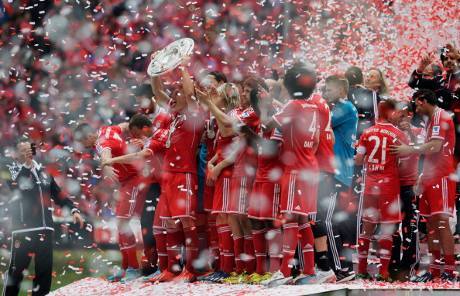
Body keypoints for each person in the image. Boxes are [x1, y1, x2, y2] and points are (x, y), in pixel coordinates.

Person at [148, 63, 206, 283]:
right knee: (171, 223)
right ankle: (173, 269)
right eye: (172, 94)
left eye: (176, 93)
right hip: (169, 176)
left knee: (186, 221)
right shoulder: (174, 116)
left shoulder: (194, 115)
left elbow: (190, 92)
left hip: (185, 173)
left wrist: (182, 66)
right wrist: (155, 69)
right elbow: (157, 91)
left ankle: (191, 269)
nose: (171, 97)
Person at [263, 62, 320, 286]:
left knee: (289, 217)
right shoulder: (312, 106)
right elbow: (315, 140)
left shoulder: (293, 105)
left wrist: (264, 106)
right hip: (309, 167)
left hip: (295, 169)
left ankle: (284, 272)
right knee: (303, 219)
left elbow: (269, 125)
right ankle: (309, 270)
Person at [3, 140, 84, 296]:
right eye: (22, 149)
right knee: (16, 272)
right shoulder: (12, 171)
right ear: (17, 154)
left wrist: (73, 210)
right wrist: (26, 166)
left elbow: (58, 195)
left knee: (44, 273)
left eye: (29, 149)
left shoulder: (45, 173)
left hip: (45, 230)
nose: (26, 152)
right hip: (23, 230)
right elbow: (18, 187)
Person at [391, 89, 456, 282]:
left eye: (416, 104)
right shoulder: (432, 120)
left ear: (423, 100)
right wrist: (422, 174)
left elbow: (435, 147)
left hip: (442, 177)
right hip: (430, 176)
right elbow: (430, 148)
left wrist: (409, 149)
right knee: (431, 226)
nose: (415, 108)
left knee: (442, 223)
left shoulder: (440, 116)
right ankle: (435, 271)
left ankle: (449, 271)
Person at [74, 119, 148, 282]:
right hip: (126, 182)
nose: (82, 145)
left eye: (82, 141)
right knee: (119, 224)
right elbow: (124, 126)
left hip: (135, 179)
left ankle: (134, 268)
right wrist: (139, 138)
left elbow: (105, 153)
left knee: (122, 223)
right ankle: (126, 267)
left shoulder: (102, 142)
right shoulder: (107, 129)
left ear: (88, 136)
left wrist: (106, 165)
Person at [355, 99, 408, 281]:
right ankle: (383, 272)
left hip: (370, 187)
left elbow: (358, 160)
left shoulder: (367, 133)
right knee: (387, 231)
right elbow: (405, 163)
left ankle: (361, 270)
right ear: (392, 113)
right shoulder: (399, 134)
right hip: (389, 187)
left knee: (367, 229)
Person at [322, 75, 358, 282]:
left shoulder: (344, 107)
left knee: (328, 220)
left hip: (338, 173)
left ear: (340, 90)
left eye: (329, 89)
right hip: (336, 172)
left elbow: (319, 121)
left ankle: (341, 269)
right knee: (331, 220)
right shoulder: (343, 107)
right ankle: (342, 267)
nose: (325, 93)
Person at [389, 101, 425, 280]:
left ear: (410, 115)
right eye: (398, 115)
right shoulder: (391, 133)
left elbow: (424, 148)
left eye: (404, 115)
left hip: (410, 186)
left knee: (410, 227)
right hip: (393, 186)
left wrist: (409, 131)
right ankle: (394, 265)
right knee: (393, 227)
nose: (401, 119)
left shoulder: (418, 131)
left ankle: (411, 265)